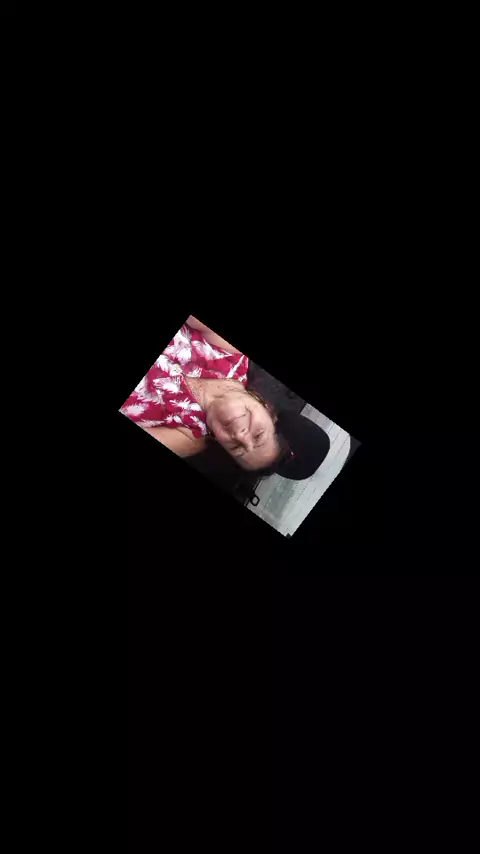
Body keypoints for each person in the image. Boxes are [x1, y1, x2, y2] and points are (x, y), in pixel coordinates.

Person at [120, 316, 330, 480]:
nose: (240, 435)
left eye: (236, 448)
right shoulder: (232, 354)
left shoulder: (188, 437)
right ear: (268, 409)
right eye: (258, 435)